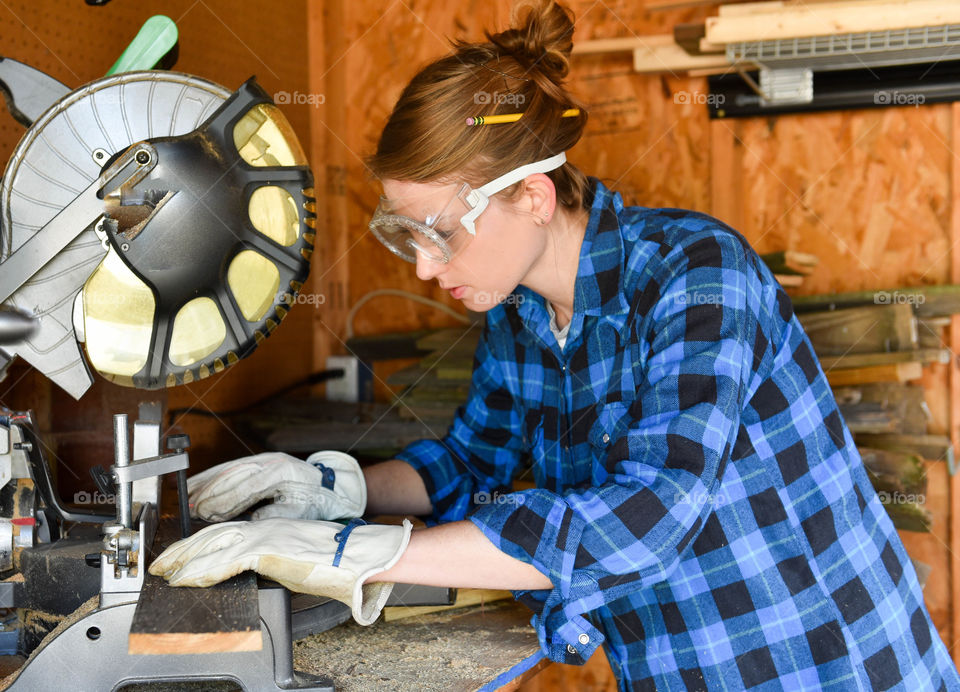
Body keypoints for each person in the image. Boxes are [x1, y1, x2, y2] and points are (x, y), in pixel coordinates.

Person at [150, 1, 960, 688]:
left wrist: (354, 554)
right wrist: (331, 489)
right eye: (406, 235)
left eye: (439, 233)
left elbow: (648, 516)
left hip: (825, 663)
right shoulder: (518, 313)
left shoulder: (699, 276)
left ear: (534, 197)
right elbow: (471, 464)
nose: (425, 268)